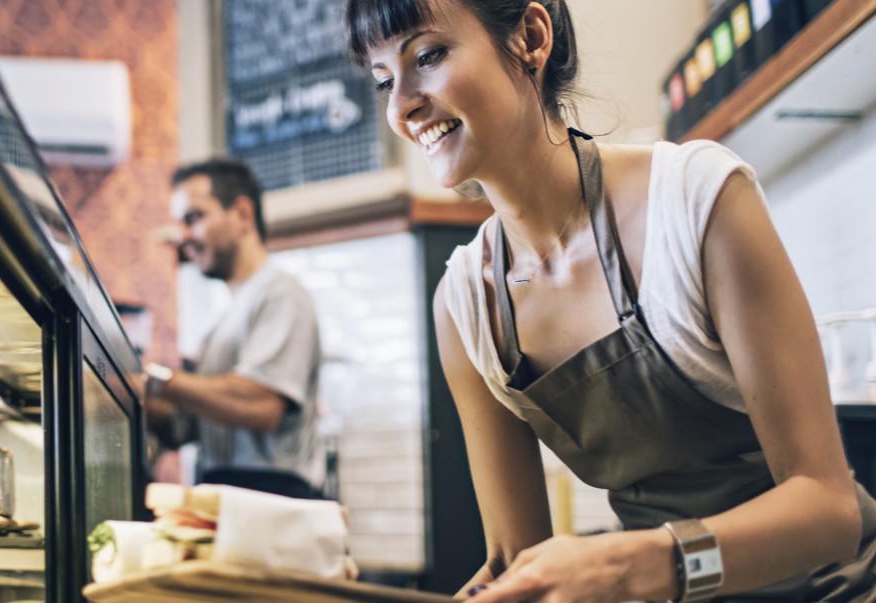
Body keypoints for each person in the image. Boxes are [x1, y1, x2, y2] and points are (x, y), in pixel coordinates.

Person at [344, 0, 876, 601]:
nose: (402, 105)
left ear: (531, 36)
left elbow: (832, 515)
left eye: (429, 56)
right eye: (384, 80)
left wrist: (637, 565)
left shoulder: (693, 201)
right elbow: (515, 562)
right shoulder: (465, 304)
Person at [143, 158, 326, 500]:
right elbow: (184, 426)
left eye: (194, 218)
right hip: (222, 488)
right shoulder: (218, 320)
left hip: (274, 497)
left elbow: (260, 404)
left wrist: (157, 379)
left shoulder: (280, 293)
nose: (183, 236)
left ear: (242, 214)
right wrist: (119, 388)